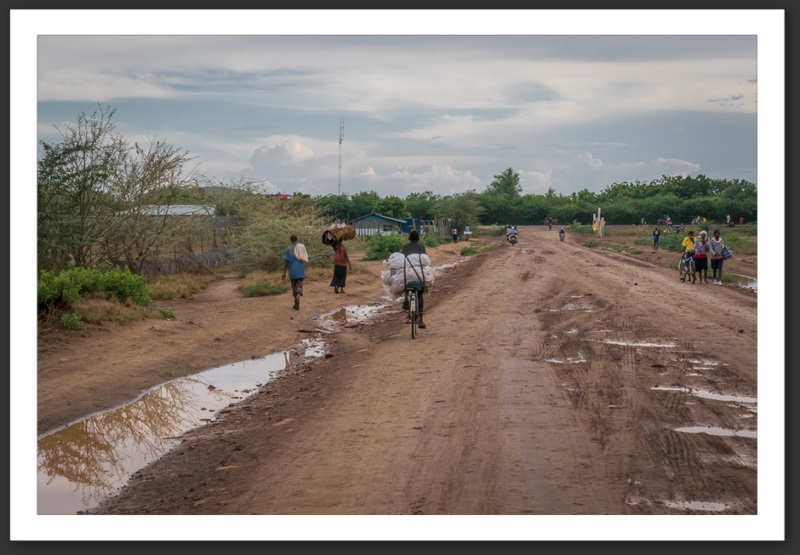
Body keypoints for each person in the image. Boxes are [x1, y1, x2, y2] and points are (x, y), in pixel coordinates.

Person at [401, 229, 428, 328]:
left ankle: (405, 300)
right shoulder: (421, 247)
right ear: (418, 238)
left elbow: (402, 261)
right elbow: (425, 262)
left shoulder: (405, 247)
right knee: (420, 294)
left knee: (406, 285)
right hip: (419, 275)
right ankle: (421, 319)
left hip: (408, 275)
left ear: (409, 238)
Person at [282, 233, 306, 309]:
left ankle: (296, 304)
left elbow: (286, 261)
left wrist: (284, 272)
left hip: (292, 270)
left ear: (290, 240)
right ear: (297, 239)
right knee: (299, 285)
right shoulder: (301, 247)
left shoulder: (288, 249)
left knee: (294, 286)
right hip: (301, 270)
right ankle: (298, 296)